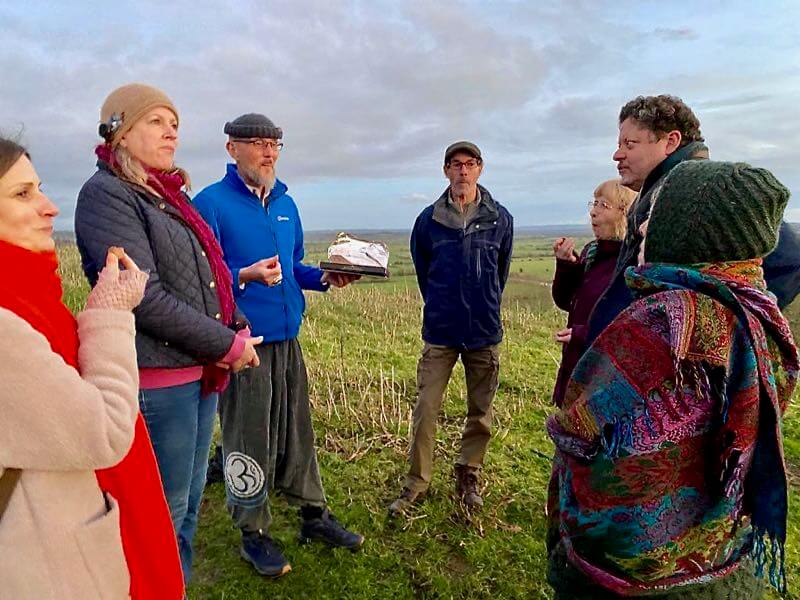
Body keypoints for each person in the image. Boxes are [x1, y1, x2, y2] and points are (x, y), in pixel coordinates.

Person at [546, 160, 798, 599]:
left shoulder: (662, 322)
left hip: (631, 571)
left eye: (656, 215)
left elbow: (584, 432)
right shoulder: (760, 311)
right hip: (714, 552)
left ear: (689, 230)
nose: (641, 228)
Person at [74, 84, 261, 583]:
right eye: (156, 120)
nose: (171, 130)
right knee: (163, 512)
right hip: (156, 379)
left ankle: (173, 584)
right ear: (120, 129)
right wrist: (226, 344)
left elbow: (206, 275)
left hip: (194, 373)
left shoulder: (165, 194)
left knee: (190, 502)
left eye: (173, 121)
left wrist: (234, 322)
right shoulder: (108, 195)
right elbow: (145, 295)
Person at [0, 137, 183, 599]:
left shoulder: (29, 299)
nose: (49, 207)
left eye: (38, 188)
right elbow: (102, 430)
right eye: (22, 194)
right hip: (51, 565)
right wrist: (111, 313)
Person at [193, 113, 363, 579]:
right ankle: (253, 532)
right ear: (233, 149)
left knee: (296, 431)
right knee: (248, 435)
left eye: (275, 145)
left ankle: (313, 514)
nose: (269, 153)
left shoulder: (286, 203)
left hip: (289, 338)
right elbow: (198, 277)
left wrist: (326, 278)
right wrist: (243, 275)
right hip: (244, 342)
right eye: (259, 144)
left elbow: (294, 264)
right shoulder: (209, 204)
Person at [588, 94, 800, 344]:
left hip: (673, 365)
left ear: (671, 141)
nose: (617, 154)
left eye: (629, 144)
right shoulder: (657, 192)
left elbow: (790, 261)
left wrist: (730, 324)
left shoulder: (706, 194)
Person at [389, 141, 513, 515]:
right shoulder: (428, 221)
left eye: (469, 164)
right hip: (441, 332)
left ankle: (468, 474)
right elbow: (424, 271)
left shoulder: (500, 218)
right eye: (455, 164)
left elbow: (500, 273)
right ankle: (417, 483)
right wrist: (443, 305)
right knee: (426, 408)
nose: (462, 171)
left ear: (480, 169)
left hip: (483, 331)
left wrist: (483, 303)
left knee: (481, 410)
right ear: (446, 171)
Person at [550, 179, 636, 407]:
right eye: (594, 203)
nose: (593, 212)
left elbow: (629, 324)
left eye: (603, 205)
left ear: (625, 212)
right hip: (577, 363)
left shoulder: (633, 261)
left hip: (607, 374)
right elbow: (566, 301)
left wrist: (582, 334)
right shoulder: (592, 251)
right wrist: (566, 265)